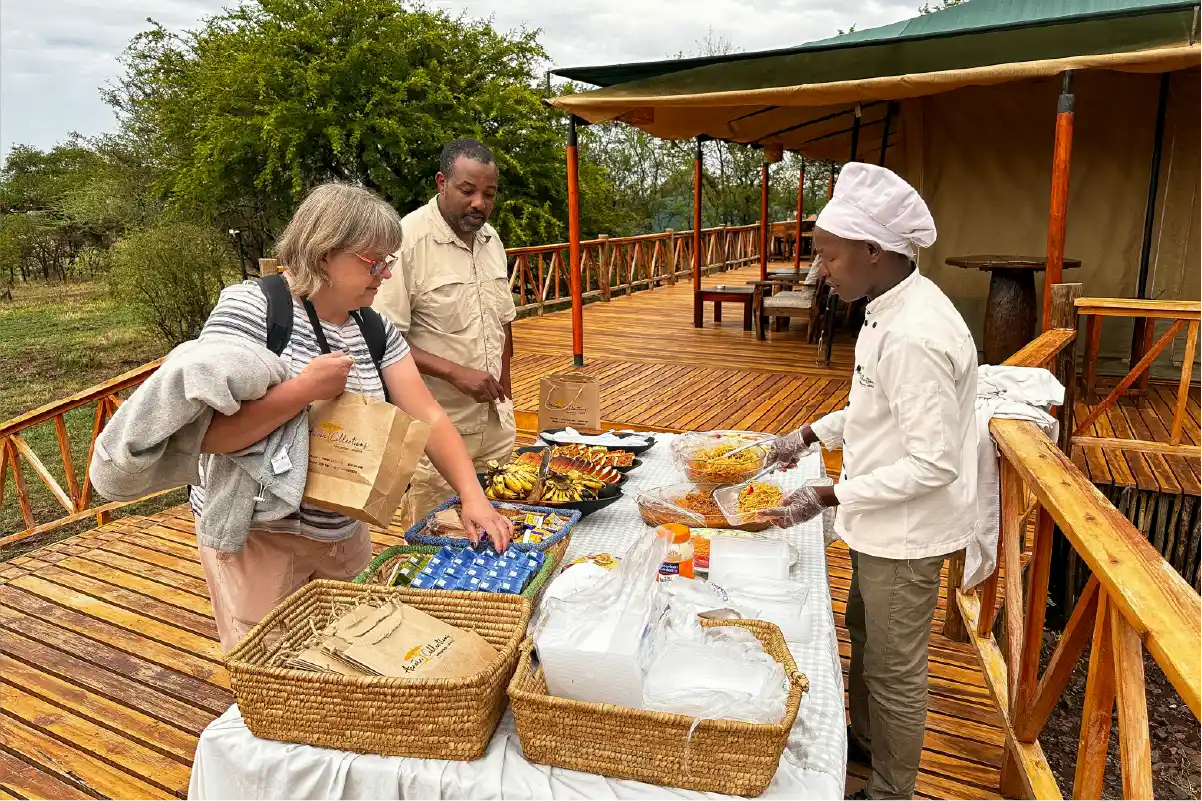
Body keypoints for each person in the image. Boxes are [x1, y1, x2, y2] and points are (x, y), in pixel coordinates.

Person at [193, 182, 513, 653]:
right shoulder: (252, 310)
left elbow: (425, 412)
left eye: (389, 261)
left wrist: (472, 496)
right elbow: (210, 434)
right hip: (262, 533)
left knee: (354, 653)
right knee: (272, 659)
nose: (385, 274)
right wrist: (302, 390)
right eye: (373, 261)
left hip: (341, 526)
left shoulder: (371, 325)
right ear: (324, 253)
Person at [764, 163, 979, 801]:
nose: (820, 270)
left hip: (905, 533)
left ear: (874, 251)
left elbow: (933, 463)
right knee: (863, 633)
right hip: (877, 519)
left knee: (895, 670)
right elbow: (874, 406)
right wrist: (811, 436)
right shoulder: (891, 306)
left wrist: (829, 494)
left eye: (829, 256)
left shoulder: (915, 333)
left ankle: (890, 790)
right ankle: (864, 740)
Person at [376, 139, 516, 529]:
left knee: (502, 537)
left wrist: (505, 383)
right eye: (467, 191)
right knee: (437, 543)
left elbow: (504, 317)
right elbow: (383, 338)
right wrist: (456, 373)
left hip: (496, 426)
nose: (479, 204)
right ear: (442, 182)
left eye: (489, 194)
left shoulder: (492, 239)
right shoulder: (407, 241)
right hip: (437, 431)